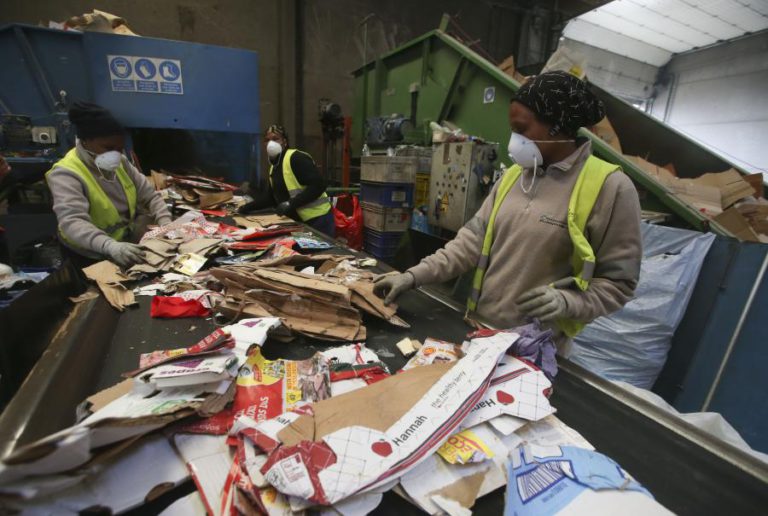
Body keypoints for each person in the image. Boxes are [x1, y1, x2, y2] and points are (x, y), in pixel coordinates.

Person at [374, 71, 642, 356]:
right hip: (482, 332)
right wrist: (412, 276)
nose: (515, 139)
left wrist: (568, 302)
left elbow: (619, 283)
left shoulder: (610, 188)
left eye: (522, 129)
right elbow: (469, 244)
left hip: (535, 349)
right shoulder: (513, 176)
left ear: (557, 127)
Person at [46, 101, 171, 268]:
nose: (116, 155)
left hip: (122, 244)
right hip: (87, 254)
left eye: (120, 148)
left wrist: (167, 225)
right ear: (85, 141)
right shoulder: (66, 174)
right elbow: (72, 222)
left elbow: (150, 196)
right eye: (108, 148)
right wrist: (109, 246)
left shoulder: (120, 162)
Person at [239, 124, 335, 236]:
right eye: (267, 140)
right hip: (297, 222)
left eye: (275, 139)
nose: (271, 143)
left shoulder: (296, 158)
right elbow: (270, 199)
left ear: (284, 141)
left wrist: (291, 203)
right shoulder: (274, 167)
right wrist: (247, 208)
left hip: (317, 220)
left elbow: (318, 186)